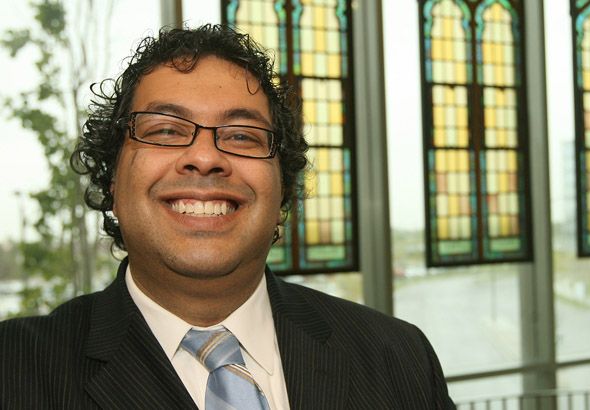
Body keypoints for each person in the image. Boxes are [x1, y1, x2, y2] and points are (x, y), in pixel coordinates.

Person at [0, 24, 455, 409]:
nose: (204, 157)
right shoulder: (15, 371)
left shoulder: (399, 357)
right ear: (113, 181)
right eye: (166, 130)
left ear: (283, 191)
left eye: (241, 136)